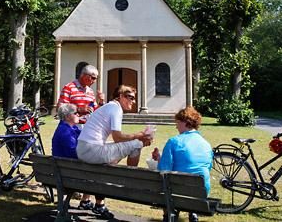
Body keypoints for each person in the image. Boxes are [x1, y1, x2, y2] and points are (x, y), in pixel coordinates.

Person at [76, 85, 152, 218]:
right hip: (93, 151)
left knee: (113, 157)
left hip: (83, 149)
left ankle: (87, 201)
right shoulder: (116, 109)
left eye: (134, 98)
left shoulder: (108, 107)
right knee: (137, 144)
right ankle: (130, 179)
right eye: (130, 97)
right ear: (121, 96)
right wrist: (139, 136)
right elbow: (117, 138)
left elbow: (117, 140)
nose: (133, 101)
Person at [152, 106, 213, 222]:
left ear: (186, 122)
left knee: (166, 183)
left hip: (177, 193)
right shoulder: (206, 144)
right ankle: (193, 212)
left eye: (177, 122)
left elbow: (164, 169)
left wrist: (159, 160)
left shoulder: (174, 142)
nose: (176, 126)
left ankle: (167, 216)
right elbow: (207, 167)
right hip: (201, 193)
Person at [51, 104, 106, 217]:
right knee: (100, 170)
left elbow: (86, 140)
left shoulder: (71, 128)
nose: (79, 115)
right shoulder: (65, 132)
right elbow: (75, 154)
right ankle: (99, 205)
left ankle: (88, 202)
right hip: (70, 177)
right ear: (67, 116)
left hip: (66, 173)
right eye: (76, 113)